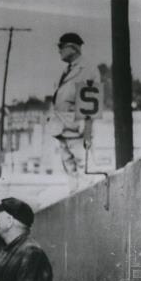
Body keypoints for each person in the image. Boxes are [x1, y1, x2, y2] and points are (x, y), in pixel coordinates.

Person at [48, 32, 101, 192]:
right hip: (63, 131)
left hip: (77, 133)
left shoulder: (87, 69)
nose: (59, 50)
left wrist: (87, 134)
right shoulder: (67, 71)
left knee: (86, 174)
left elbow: (90, 107)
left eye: (61, 46)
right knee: (71, 176)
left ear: (72, 47)